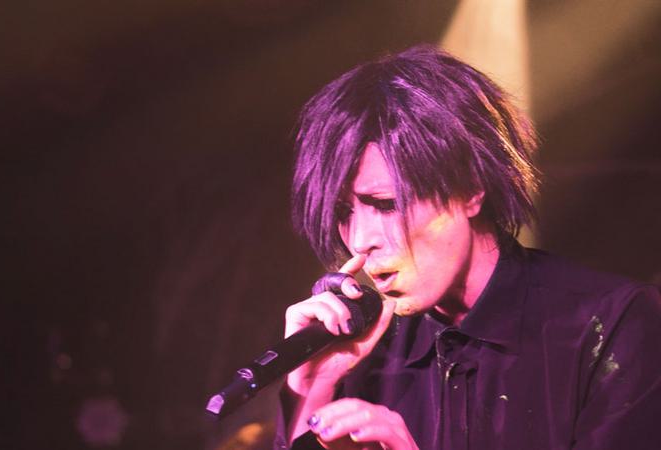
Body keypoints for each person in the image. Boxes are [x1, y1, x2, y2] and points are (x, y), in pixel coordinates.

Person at [275, 45, 661, 450]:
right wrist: (312, 392)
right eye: (343, 212)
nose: (359, 240)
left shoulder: (613, 326)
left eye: (387, 204)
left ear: (470, 187)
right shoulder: (364, 351)